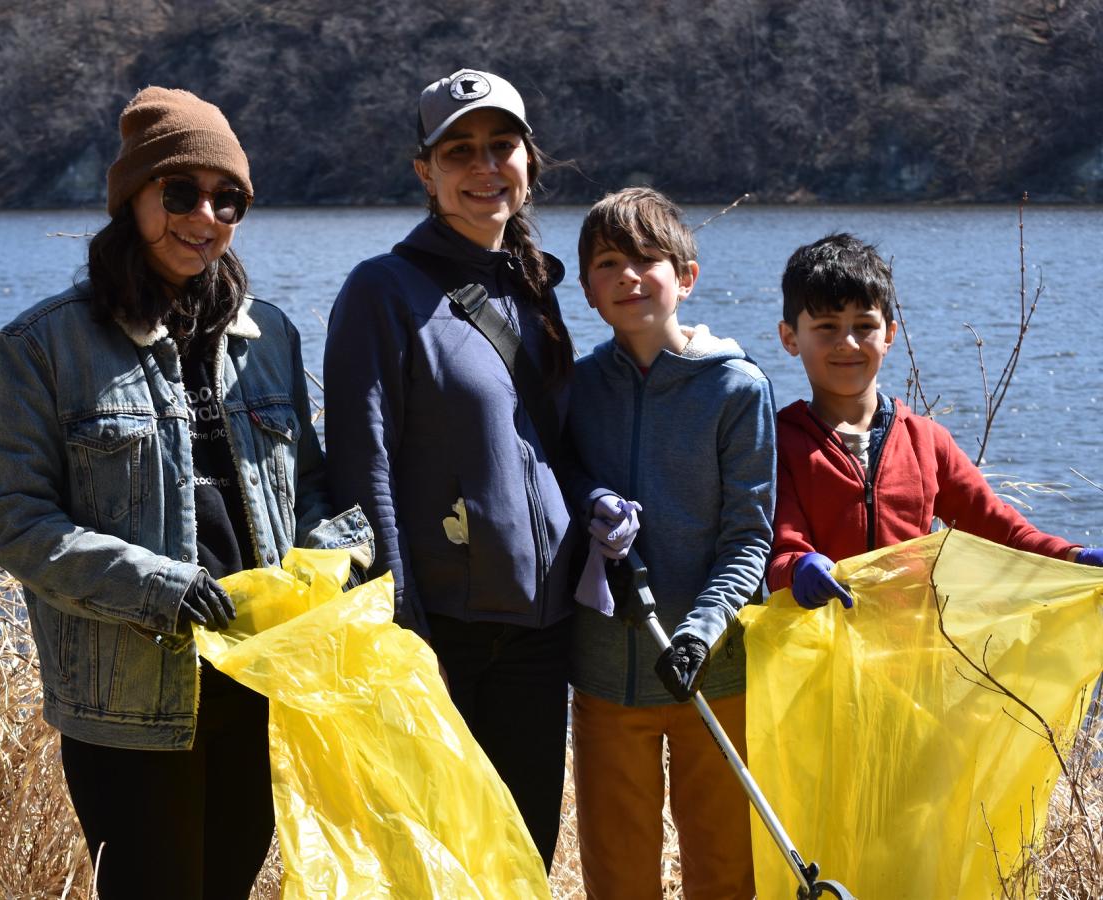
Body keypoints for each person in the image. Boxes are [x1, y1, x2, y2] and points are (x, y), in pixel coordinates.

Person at [0, 86, 372, 900]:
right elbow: (15, 520)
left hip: (256, 690)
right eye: (180, 193)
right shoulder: (45, 345)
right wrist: (161, 587)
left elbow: (314, 490)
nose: (206, 216)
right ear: (133, 200)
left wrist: (341, 553)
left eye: (229, 199)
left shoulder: (272, 338)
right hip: (129, 707)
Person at [322, 68, 577, 870]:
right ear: (423, 172)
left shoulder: (534, 290)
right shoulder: (381, 291)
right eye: (459, 150)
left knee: (524, 859)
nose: (483, 167)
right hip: (447, 637)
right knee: (441, 864)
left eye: (501, 146)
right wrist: (402, 626)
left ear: (529, 160)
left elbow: (553, 451)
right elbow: (362, 466)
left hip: (542, 632)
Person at [564, 187, 776, 899]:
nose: (629, 275)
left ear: (685, 276)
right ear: (590, 290)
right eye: (608, 263)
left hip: (713, 674)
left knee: (723, 868)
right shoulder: (577, 387)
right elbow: (557, 484)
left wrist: (700, 634)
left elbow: (749, 538)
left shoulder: (736, 388)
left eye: (648, 259)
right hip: (604, 676)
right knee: (617, 872)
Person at [770, 232, 1103, 607]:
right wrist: (799, 568)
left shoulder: (926, 441)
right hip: (818, 652)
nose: (848, 342)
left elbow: (1001, 531)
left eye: (864, 326)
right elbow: (780, 549)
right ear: (790, 337)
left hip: (915, 649)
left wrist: (1077, 557)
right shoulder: (778, 443)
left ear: (889, 335)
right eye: (827, 327)